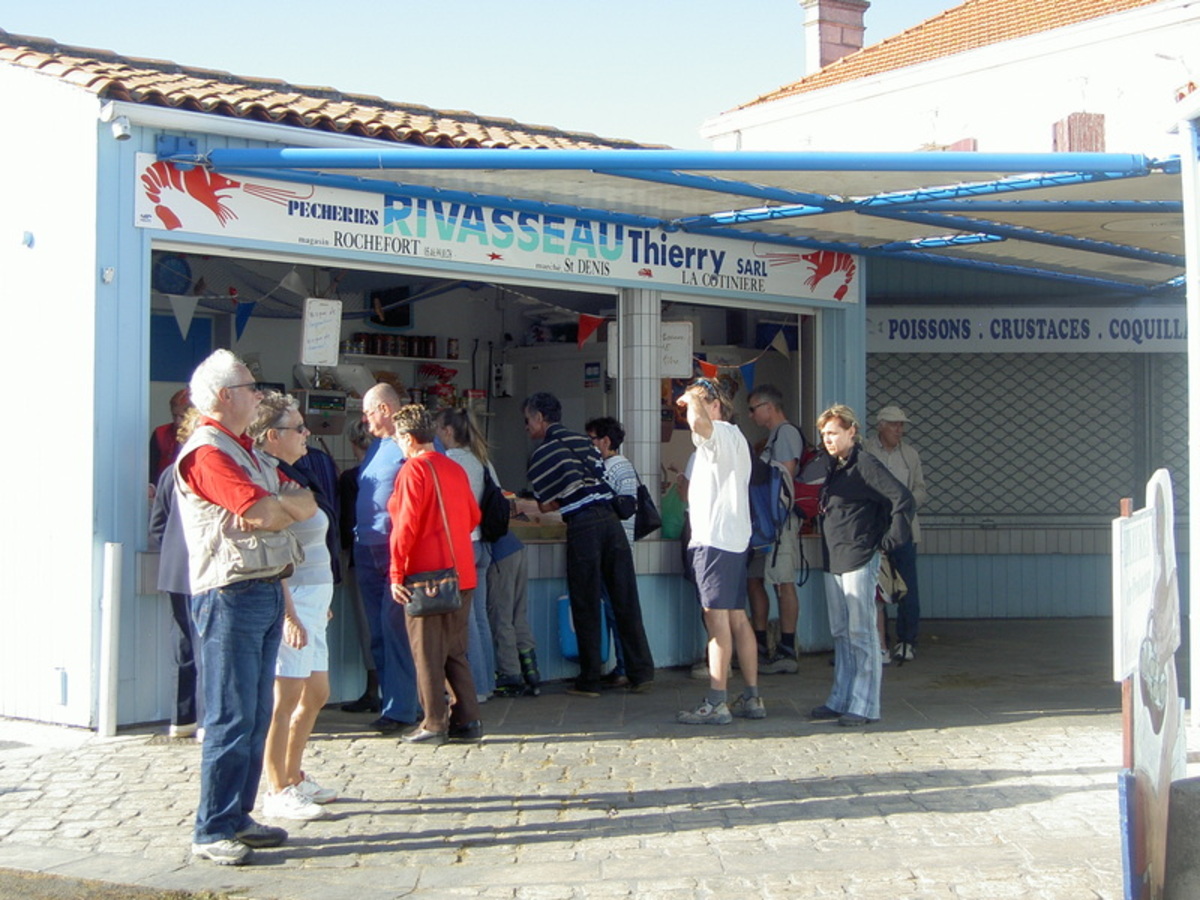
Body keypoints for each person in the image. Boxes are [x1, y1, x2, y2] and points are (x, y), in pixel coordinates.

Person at [174, 350, 316, 866]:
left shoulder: (240, 450)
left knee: (255, 714)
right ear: (224, 397)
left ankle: (235, 816)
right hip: (229, 594)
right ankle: (212, 827)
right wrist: (278, 510)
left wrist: (279, 510)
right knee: (233, 716)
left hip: (258, 588)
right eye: (252, 387)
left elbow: (304, 501)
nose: (259, 395)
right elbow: (264, 510)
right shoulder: (209, 453)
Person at [523, 392, 655, 697]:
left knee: (586, 601)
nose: (526, 427)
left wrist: (538, 505)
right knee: (625, 598)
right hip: (611, 523)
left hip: (584, 527)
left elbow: (548, 504)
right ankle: (641, 672)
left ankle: (590, 679)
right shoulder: (584, 441)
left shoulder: (542, 454)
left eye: (528, 420)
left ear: (541, 419)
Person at [249, 392, 339, 821]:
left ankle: (294, 773)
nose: (307, 433)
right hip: (296, 598)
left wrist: (324, 600)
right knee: (285, 697)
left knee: (317, 692)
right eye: (297, 428)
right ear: (272, 435)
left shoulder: (293, 476)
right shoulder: (268, 479)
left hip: (315, 597)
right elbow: (275, 548)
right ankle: (276, 786)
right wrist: (288, 613)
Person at [810, 404, 913, 728]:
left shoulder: (865, 463)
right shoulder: (834, 466)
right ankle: (841, 698)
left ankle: (865, 703)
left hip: (858, 556)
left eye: (833, 433)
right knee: (841, 633)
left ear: (851, 432)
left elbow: (901, 498)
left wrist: (889, 540)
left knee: (861, 632)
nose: (828, 439)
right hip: (834, 558)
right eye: (824, 434)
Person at [388, 404, 483, 745]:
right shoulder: (454, 468)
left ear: (410, 439)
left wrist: (396, 572)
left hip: (427, 576)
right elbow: (473, 516)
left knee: (427, 653)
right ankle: (467, 719)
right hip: (463, 573)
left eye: (399, 438)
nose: (397, 444)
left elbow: (405, 527)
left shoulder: (413, 471)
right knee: (455, 651)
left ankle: (433, 722)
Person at [674, 378, 765, 725]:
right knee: (736, 617)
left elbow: (699, 424)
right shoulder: (733, 440)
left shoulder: (720, 436)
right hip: (733, 540)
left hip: (714, 540)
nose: (688, 412)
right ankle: (752, 697)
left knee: (716, 621)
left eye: (700, 402)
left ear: (715, 405)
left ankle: (717, 701)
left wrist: (694, 397)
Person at [355, 383, 420, 734]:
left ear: (384, 409)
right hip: (367, 546)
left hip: (396, 550)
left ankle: (402, 708)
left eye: (368, 414)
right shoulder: (378, 446)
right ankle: (390, 702)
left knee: (395, 631)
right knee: (379, 632)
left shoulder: (411, 444)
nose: (366, 423)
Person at [433, 407, 497, 702]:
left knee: (465, 622)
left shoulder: (449, 462)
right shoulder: (481, 460)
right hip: (483, 544)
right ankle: (488, 682)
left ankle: (476, 688)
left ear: (447, 431)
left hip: (463, 545)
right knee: (481, 619)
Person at [745, 384, 808, 674]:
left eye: (754, 408)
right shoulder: (772, 437)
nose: (751, 414)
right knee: (756, 579)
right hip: (765, 522)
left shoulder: (786, 434)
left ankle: (787, 648)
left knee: (783, 582)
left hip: (779, 520)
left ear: (769, 407)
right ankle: (759, 644)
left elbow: (784, 477)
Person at [148, 407, 201, 740]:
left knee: (183, 645)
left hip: (175, 571)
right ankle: (208, 720)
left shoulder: (169, 474)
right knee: (209, 646)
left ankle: (182, 719)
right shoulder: (208, 469)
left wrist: (173, 548)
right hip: (206, 570)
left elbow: (158, 527)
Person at [864, 405, 927, 663]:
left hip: (903, 529)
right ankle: (880, 641)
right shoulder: (867, 450)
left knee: (906, 586)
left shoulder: (910, 455)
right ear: (880, 425)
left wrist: (905, 502)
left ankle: (907, 640)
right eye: (894, 424)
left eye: (901, 425)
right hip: (874, 529)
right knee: (876, 587)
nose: (899, 430)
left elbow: (921, 489)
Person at [585, 416, 638, 687]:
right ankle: (625, 665)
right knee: (619, 610)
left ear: (605, 441)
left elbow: (618, 505)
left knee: (616, 611)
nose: (589, 444)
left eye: (592, 438)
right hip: (620, 546)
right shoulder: (622, 465)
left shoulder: (613, 466)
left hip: (614, 546)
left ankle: (625, 667)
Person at [338, 420, 381, 712]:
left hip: (360, 555)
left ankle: (373, 689)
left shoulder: (351, 478)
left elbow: (343, 523)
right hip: (391, 556)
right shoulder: (391, 471)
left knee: (368, 627)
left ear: (354, 444)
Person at [486, 527, 539, 697]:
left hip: (499, 556)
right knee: (518, 615)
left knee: (502, 617)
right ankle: (531, 672)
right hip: (515, 547)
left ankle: (510, 674)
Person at [149, 387, 191, 482]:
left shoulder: (205, 434)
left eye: (182, 417)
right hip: (164, 486)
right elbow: (151, 467)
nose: (177, 421)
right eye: (174, 415)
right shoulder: (160, 433)